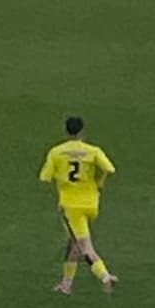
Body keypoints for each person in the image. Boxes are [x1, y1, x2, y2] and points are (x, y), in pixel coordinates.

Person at [39, 115, 120, 294]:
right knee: (74, 243)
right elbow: (109, 169)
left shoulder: (56, 152)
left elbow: (44, 178)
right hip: (91, 204)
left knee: (84, 247)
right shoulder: (93, 150)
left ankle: (105, 277)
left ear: (66, 131)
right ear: (82, 131)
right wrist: (100, 182)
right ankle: (66, 284)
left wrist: (62, 187)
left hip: (71, 207)